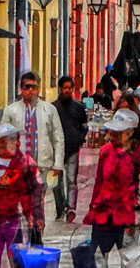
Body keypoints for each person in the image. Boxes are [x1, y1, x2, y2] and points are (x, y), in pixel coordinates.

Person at [82, 109, 140, 263]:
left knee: (130, 259)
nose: (112, 135)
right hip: (104, 215)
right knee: (98, 259)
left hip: (129, 217)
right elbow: (99, 182)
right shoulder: (106, 152)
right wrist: (92, 208)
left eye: (117, 132)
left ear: (130, 133)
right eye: (112, 131)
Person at [0, 124, 43, 268]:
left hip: (13, 221)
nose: (17, 142)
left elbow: (31, 192)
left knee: (18, 261)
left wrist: (35, 216)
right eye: (12, 139)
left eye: (17, 138)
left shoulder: (24, 163)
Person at [0, 72, 65, 184]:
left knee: (37, 200)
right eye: (27, 87)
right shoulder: (11, 110)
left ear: (38, 89)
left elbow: (58, 138)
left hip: (43, 165)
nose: (30, 90)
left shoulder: (49, 110)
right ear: (21, 89)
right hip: (18, 166)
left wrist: (58, 164)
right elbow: (2, 137)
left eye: (33, 87)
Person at [52, 75, 88, 223]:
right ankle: (60, 207)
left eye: (69, 88)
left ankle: (71, 208)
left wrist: (79, 139)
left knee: (71, 180)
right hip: (56, 150)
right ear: (60, 88)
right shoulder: (52, 107)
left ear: (73, 89)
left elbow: (84, 127)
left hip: (73, 148)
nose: (67, 90)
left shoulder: (78, 107)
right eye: (65, 88)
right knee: (56, 181)